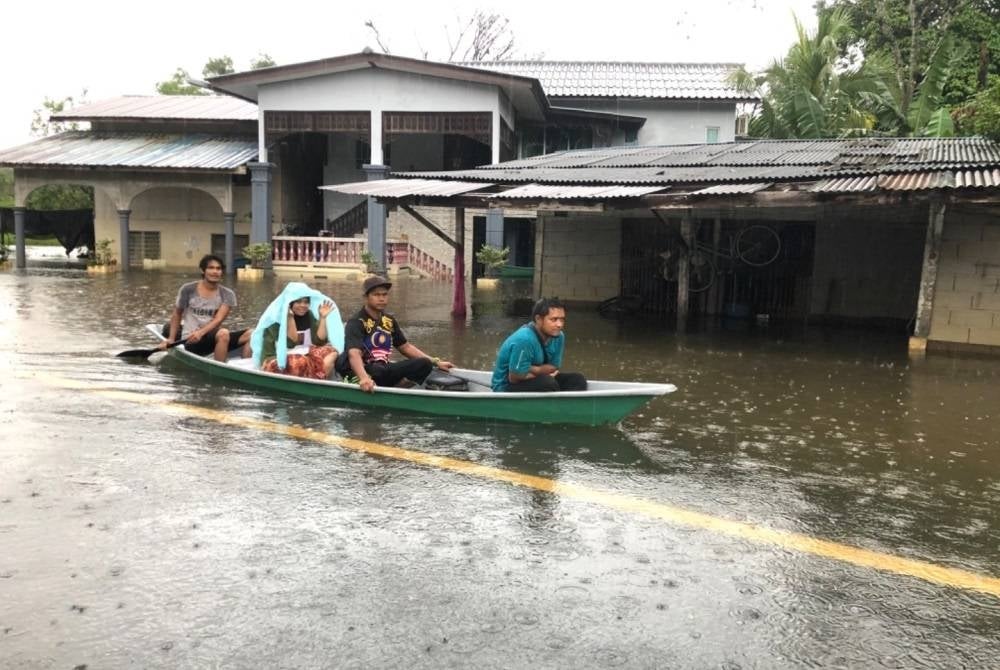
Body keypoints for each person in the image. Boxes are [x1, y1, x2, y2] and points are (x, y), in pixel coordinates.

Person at [336, 275, 453, 393]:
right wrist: (364, 378)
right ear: (366, 298)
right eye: (376, 295)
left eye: (384, 294)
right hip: (365, 371)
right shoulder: (357, 322)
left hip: (383, 369)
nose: (381, 298)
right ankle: (381, 387)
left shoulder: (389, 320)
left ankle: (394, 391)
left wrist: (436, 362)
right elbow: (354, 353)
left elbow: (405, 347)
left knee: (424, 364)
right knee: (378, 370)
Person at [160, 254, 253, 361]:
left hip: (211, 338)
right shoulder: (188, 289)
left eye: (218, 268)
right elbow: (177, 314)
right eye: (211, 268)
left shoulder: (228, 294)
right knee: (223, 333)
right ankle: (220, 368)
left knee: (253, 334)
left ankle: (246, 366)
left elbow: (218, 319)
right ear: (203, 270)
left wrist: (201, 333)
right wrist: (171, 339)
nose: (215, 272)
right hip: (190, 340)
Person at [491, 297, 588, 393]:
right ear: (538, 319)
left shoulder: (559, 336)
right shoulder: (524, 340)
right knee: (549, 383)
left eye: (562, 319)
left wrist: (533, 369)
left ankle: (565, 406)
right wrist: (544, 373)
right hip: (506, 387)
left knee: (578, 380)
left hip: (537, 378)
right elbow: (515, 377)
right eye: (554, 319)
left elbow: (554, 367)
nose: (559, 325)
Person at [251, 282, 344, 379]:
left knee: (332, 351)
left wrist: (323, 318)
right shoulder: (277, 319)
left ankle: (319, 378)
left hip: (303, 355)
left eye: (306, 302)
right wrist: (290, 318)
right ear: (290, 302)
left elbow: (319, 341)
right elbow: (291, 343)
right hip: (276, 359)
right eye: (298, 302)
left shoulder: (309, 315)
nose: (303, 305)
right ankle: (316, 377)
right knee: (299, 361)